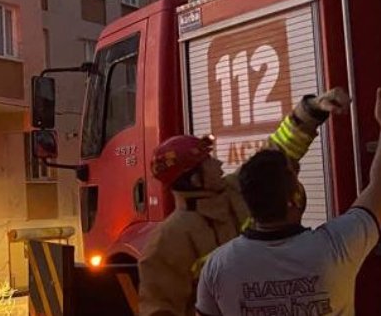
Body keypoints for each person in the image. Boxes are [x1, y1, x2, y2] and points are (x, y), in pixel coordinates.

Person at [138, 88, 349, 316]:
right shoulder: (168, 241)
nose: (218, 164)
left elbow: (279, 151)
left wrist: (312, 110)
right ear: (195, 179)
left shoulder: (237, 189)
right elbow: (159, 309)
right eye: (208, 161)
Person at [195, 88, 381, 316]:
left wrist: (313, 109)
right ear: (294, 199)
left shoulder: (217, 266)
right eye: (296, 177)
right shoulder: (336, 246)